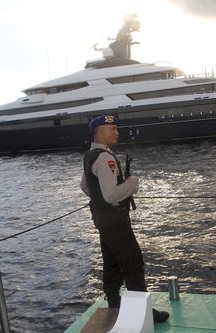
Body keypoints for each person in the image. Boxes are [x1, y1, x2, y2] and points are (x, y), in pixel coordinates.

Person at [80, 115, 169, 324]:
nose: (117, 132)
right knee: (132, 263)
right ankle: (142, 312)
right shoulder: (105, 158)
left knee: (111, 261)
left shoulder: (90, 154)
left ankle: (114, 303)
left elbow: (85, 186)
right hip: (114, 218)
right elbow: (111, 195)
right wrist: (132, 183)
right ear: (99, 132)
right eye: (112, 129)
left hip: (101, 217)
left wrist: (101, 202)